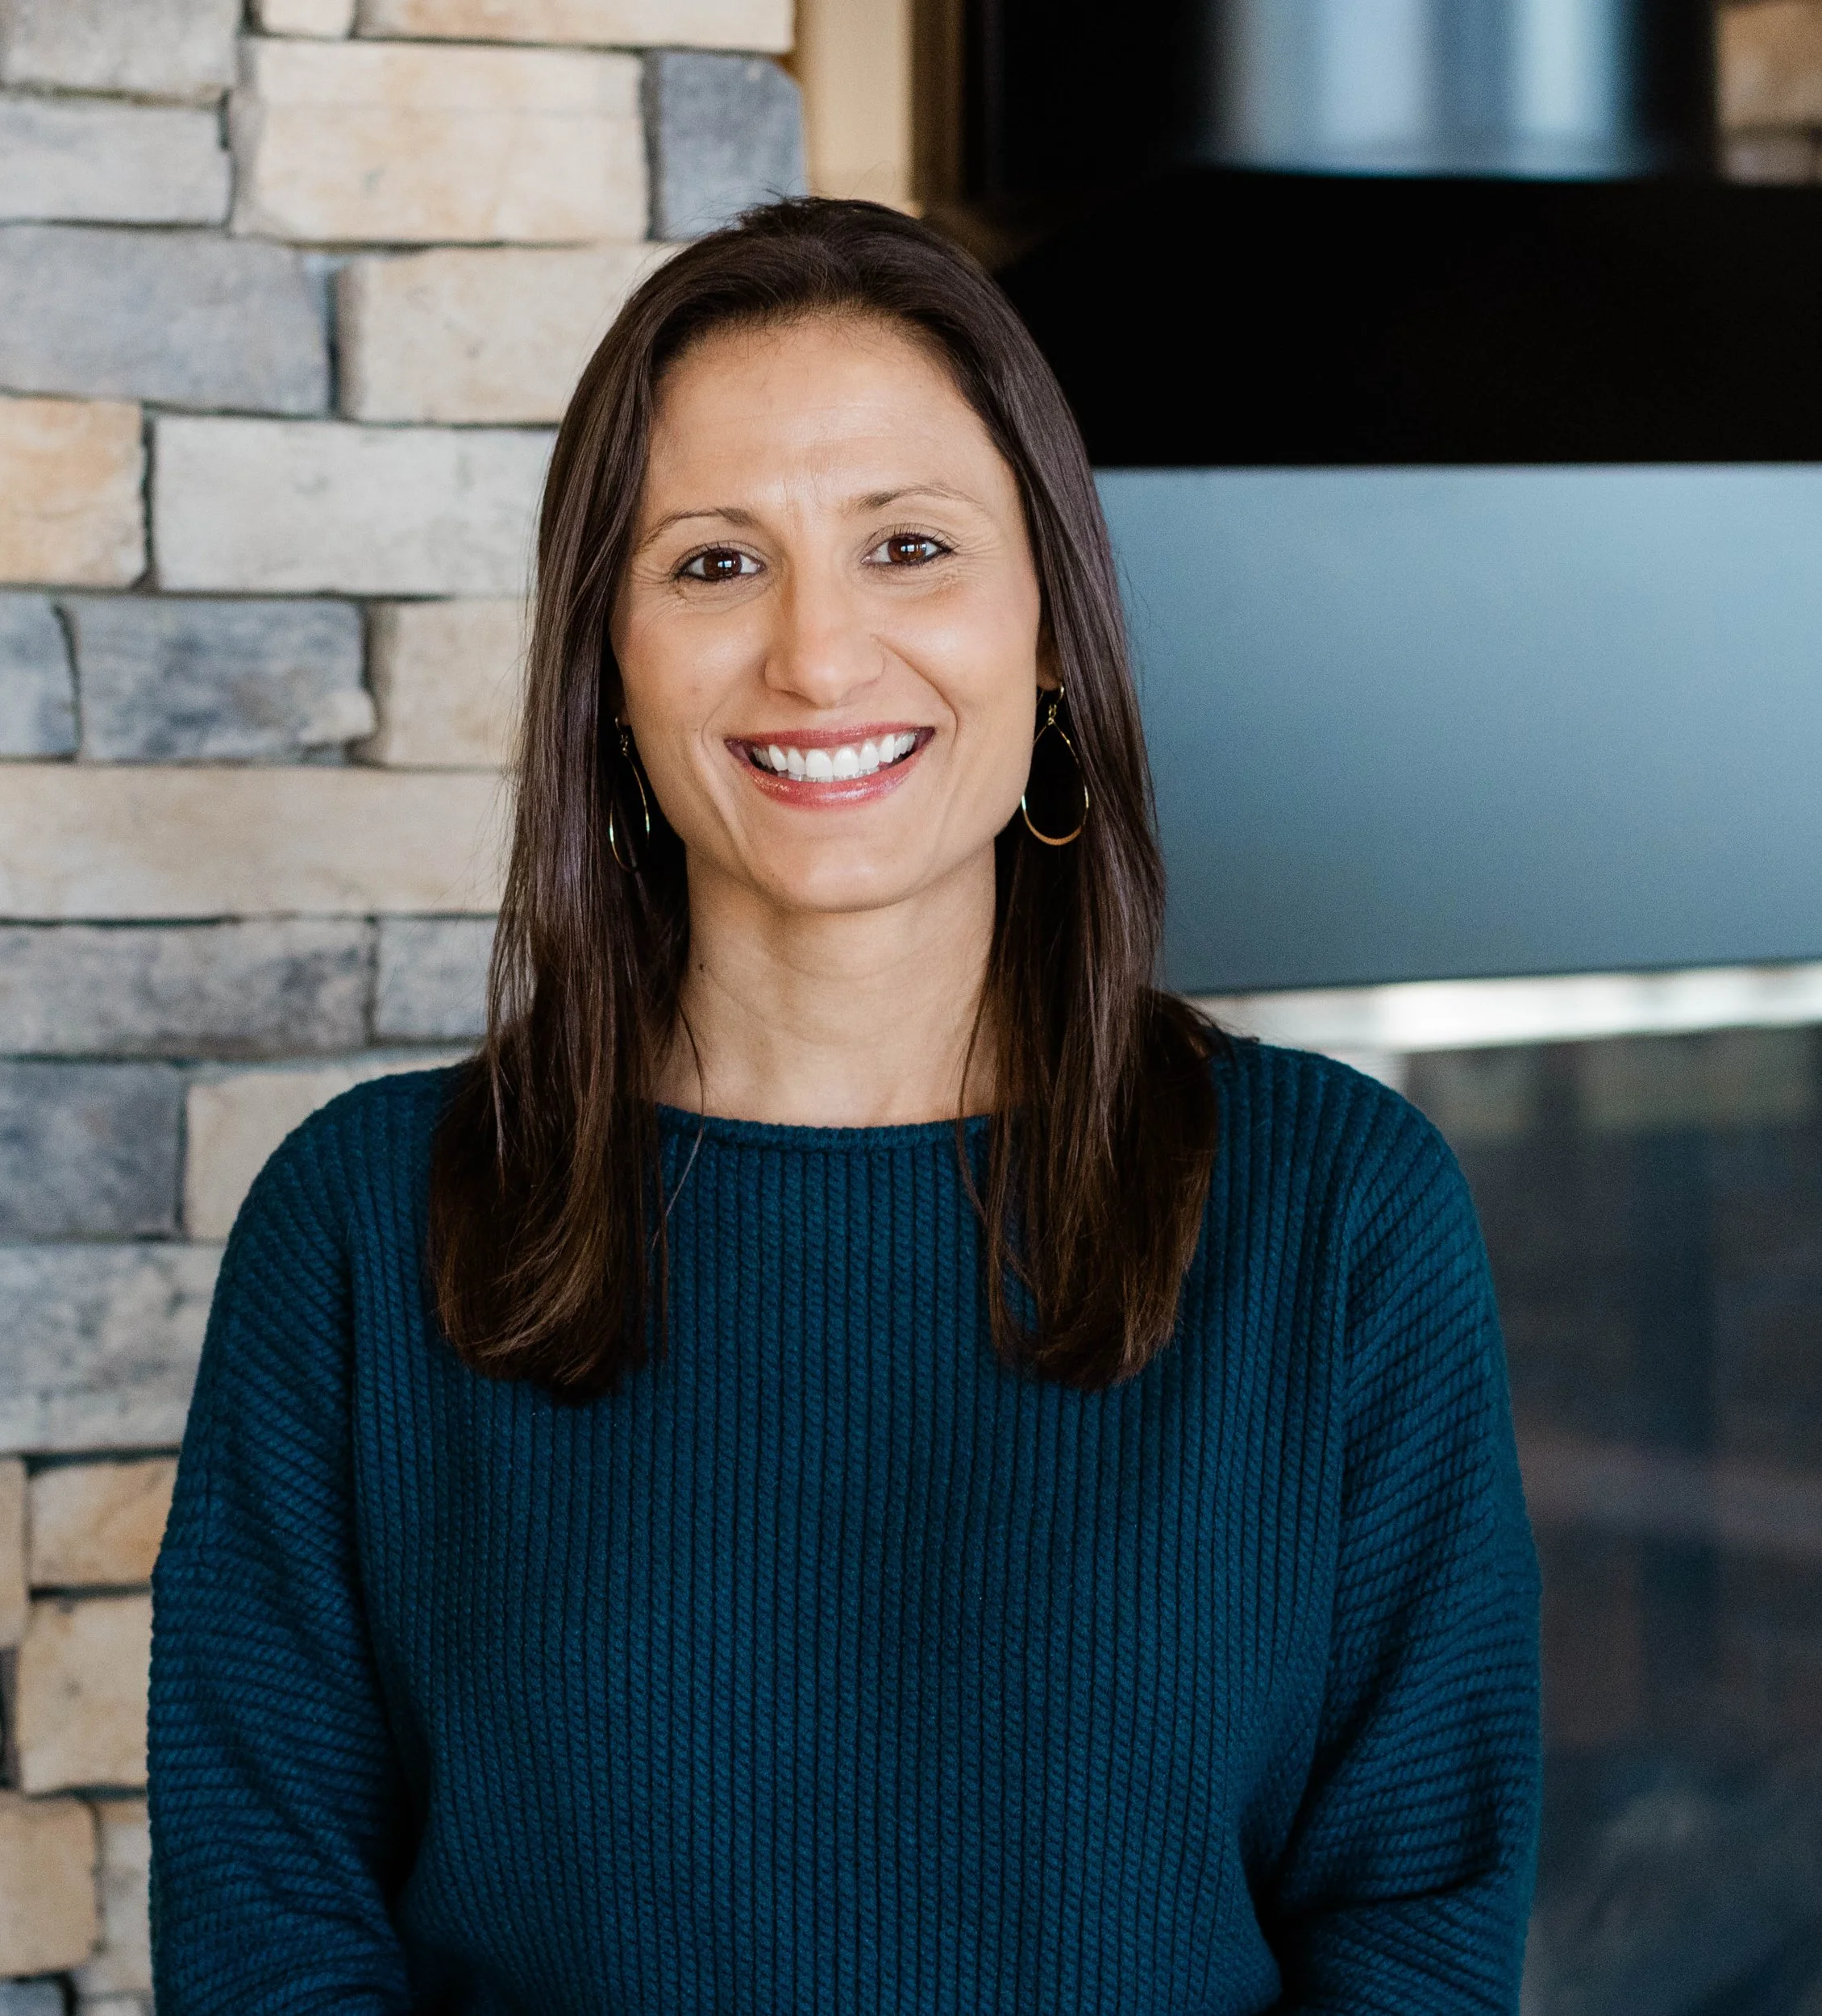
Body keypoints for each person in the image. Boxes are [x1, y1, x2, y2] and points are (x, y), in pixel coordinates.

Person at [148, 198, 1541, 2013]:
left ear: (1048, 628)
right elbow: (271, 1941)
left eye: (907, 545)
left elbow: (1414, 1930)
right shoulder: (358, 1225)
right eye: (715, 564)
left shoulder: (1339, 1216)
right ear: (608, 668)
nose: (817, 656)